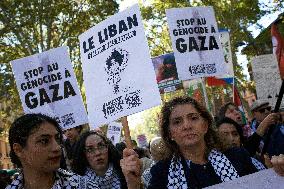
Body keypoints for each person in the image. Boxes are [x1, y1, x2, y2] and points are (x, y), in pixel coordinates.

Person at [121, 97, 259, 189]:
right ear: (170, 134)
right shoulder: (161, 173)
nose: (187, 126)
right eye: (177, 122)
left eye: (193, 118)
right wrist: (133, 184)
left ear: (205, 126)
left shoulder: (237, 157)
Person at [6, 113, 98, 189]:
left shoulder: (85, 186)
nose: (57, 147)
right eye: (44, 141)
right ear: (19, 150)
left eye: (57, 139)